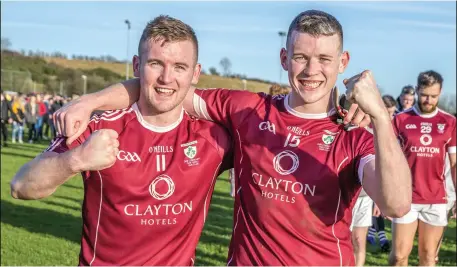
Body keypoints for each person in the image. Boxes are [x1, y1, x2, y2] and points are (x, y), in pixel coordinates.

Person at [54, 10, 412, 266]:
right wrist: (90, 101)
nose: (311, 70)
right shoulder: (245, 108)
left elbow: (395, 205)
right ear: (284, 58)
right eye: (301, 57)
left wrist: (380, 117)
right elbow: (162, 89)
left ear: (343, 62)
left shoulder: (353, 134)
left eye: (324, 59)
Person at [11, 15, 233, 266]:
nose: (166, 78)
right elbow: (21, 187)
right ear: (137, 66)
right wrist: (76, 159)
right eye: (156, 64)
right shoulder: (99, 127)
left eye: (180, 67)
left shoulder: (216, 138)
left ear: (195, 73)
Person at [389, 70, 456, 266]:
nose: (428, 100)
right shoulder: (400, 120)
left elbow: (454, 163)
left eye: (434, 96)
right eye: (425, 95)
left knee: (428, 256)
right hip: (405, 197)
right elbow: (390, 160)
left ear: (440, 92)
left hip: (436, 198)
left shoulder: (449, 122)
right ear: (417, 90)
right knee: (399, 255)